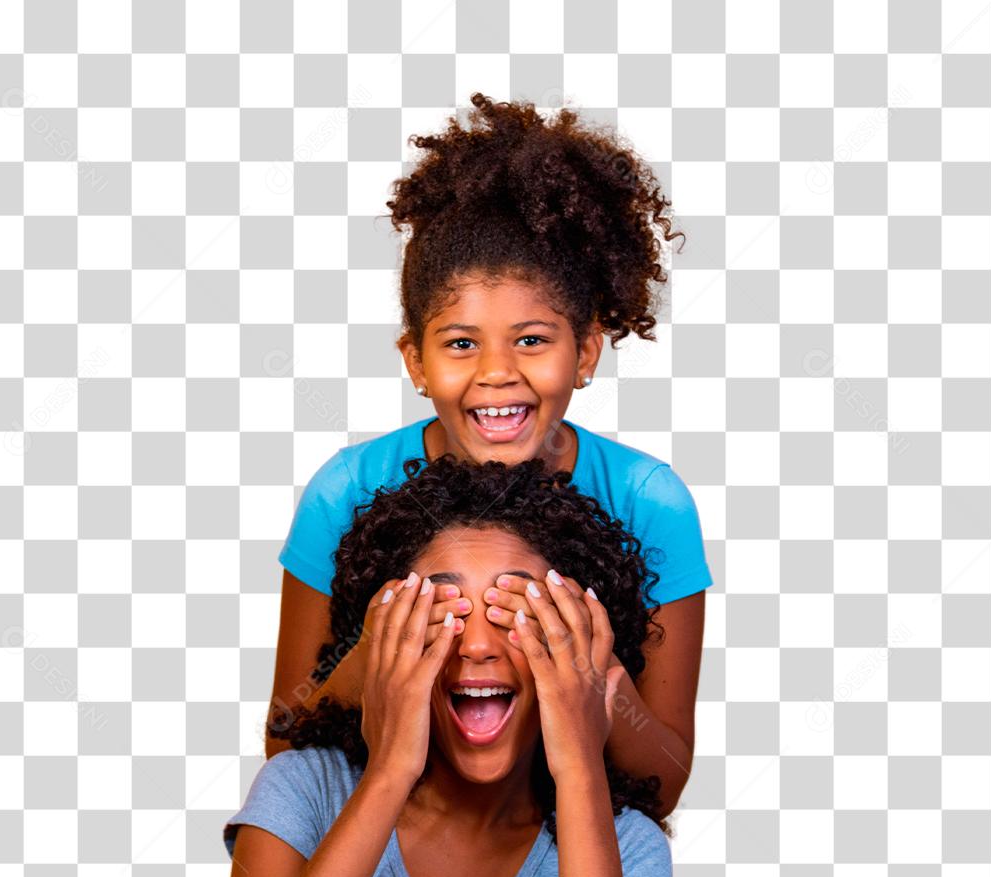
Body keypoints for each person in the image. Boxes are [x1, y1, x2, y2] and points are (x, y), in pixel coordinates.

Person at [269, 92, 710, 818]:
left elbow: (664, 785)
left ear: (586, 351)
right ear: (415, 359)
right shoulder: (343, 492)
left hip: (574, 843)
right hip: (392, 839)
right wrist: (369, 660)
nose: (497, 372)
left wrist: (596, 674)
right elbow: (285, 752)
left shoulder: (650, 503)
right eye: (461, 343)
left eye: (532, 340)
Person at [204, 455, 685, 877]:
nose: (479, 645)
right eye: (444, 614)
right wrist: (387, 773)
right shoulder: (307, 791)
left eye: (516, 615)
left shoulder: (624, 843)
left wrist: (581, 771)